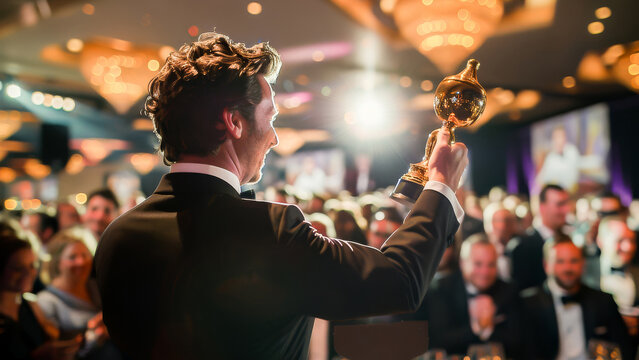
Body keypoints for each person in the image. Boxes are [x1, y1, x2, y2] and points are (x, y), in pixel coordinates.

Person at [94, 32, 468, 360]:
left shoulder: (117, 237)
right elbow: (399, 282)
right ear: (234, 122)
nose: (274, 138)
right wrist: (440, 185)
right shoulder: (271, 232)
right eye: (270, 118)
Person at [520, 235, 631, 359]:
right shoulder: (528, 304)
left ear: (583, 264)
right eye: (560, 261)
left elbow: (623, 347)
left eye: (573, 261)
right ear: (546, 265)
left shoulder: (603, 301)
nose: (568, 268)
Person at [425, 235, 520, 357]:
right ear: (462, 263)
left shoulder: (508, 291)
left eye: (491, 265)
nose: (485, 272)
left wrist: (488, 331)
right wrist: (477, 329)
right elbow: (438, 340)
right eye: (478, 264)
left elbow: (519, 341)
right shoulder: (441, 289)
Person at [37, 234, 119, 359]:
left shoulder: (96, 286)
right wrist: (93, 339)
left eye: (85, 255)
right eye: (72, 257)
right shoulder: (46, 301)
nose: (81, 262)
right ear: (57, 262)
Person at [0, 234, 81, 359]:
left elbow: (54, 340)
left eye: (32, 266)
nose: (28, 273)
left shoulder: (30, 304)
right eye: (18, 268)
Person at [507, 184, 570, 290]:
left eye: (566, 204)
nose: (565, 210)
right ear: (542, 208)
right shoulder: (521, 246)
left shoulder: (569, 240)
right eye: (559, 204)